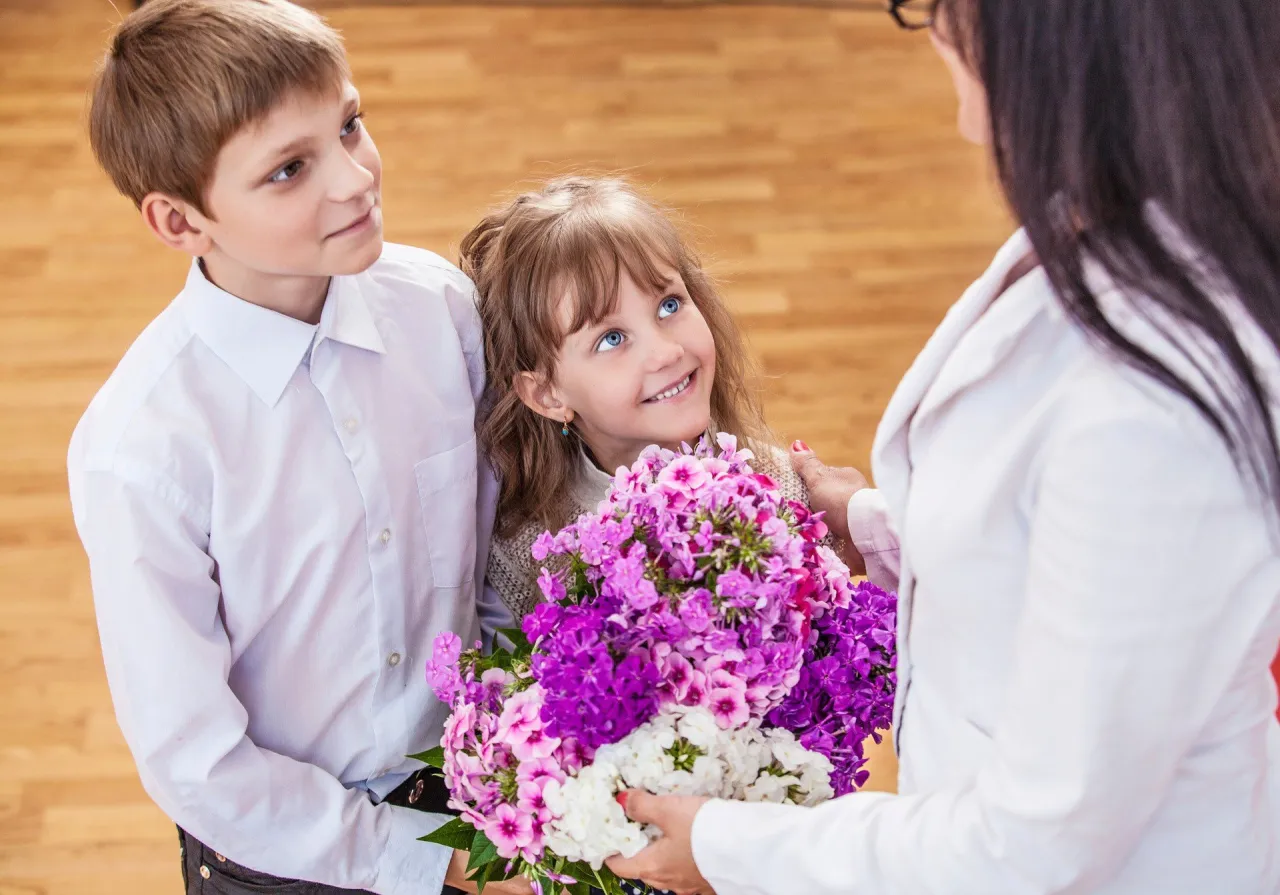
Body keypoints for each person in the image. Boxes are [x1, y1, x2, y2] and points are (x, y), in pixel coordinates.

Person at [607, 1, 1280, 892]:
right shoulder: (1101, 219)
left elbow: (1034, 843)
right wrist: (872, 525)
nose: (932, 30)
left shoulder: (1159, 417)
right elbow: (1065, 542)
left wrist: (730, 846)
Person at [67, 2, 522, 892]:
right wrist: (426, 861)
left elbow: (496, 550)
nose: (354, 179)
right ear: (180, 222)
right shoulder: (141, 451)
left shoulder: (441, 311)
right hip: (284, 855)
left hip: (476, 796)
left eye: (349, 125)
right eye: (289, 169)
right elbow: (198, 760)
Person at [461, 176, 832, 624]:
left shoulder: (785, 496)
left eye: (669, 305)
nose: (667, 352)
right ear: (547, 394)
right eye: (612, 338)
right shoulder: (526, 553)